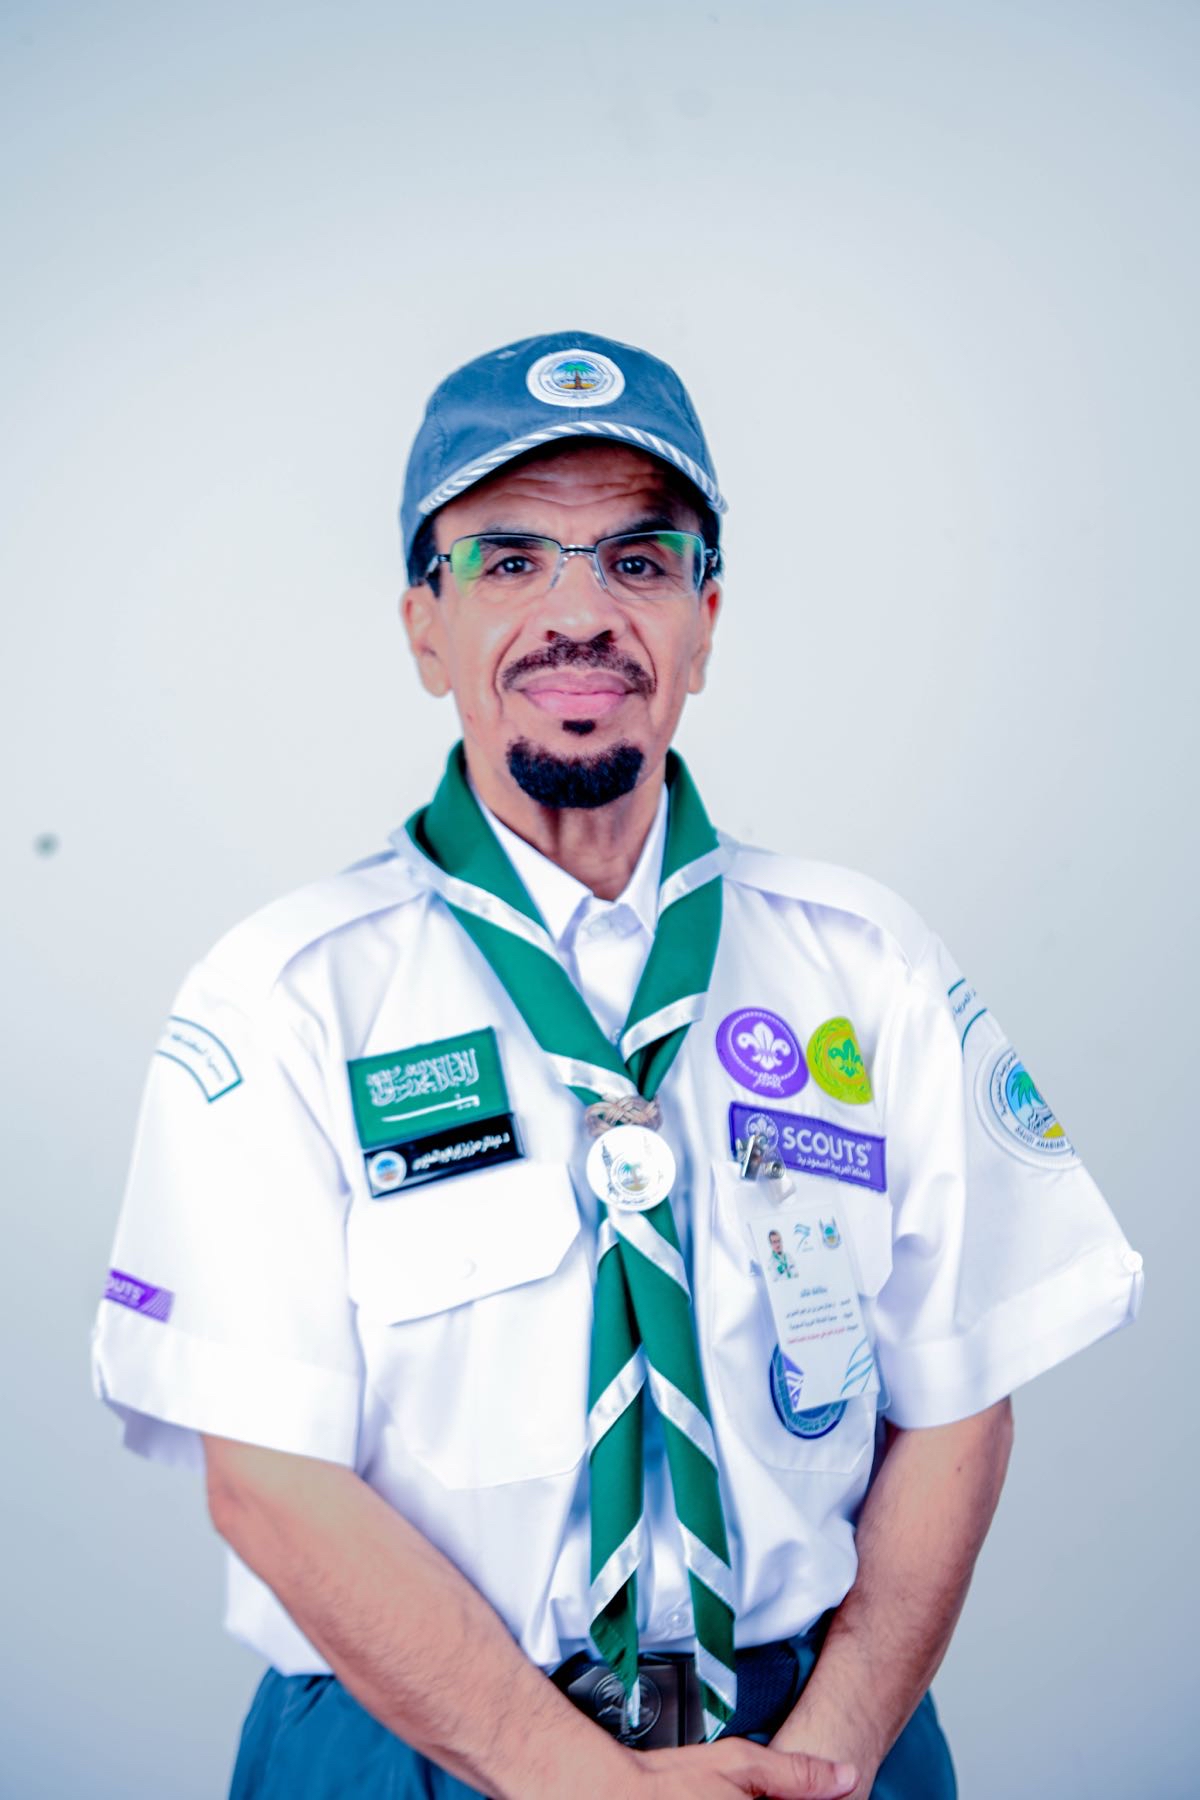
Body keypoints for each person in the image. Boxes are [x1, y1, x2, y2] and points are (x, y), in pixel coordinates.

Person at [91, 330, 1143, 1800]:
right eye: (509, 560)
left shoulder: (869, 966)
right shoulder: (284, 999)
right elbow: (265, 1477)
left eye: (640, 561)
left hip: (814, 1739)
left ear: (706, 622)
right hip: (420, 1747)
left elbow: (961, 1394)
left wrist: (831, 1749)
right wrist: (581, 1783)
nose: (580, 613)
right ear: (424, 627)